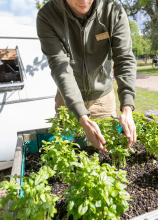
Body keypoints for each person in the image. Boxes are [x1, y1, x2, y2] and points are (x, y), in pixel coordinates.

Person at [36, 0, 137, 153]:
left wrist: (127, 107)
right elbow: (60, 67)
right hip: (68, 102)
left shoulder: (113, 11)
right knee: (68, 154)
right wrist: (81, 116)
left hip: (103, 100)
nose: (84, 1)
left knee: (106, 154)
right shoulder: (48, 15)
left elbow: (124, 58)